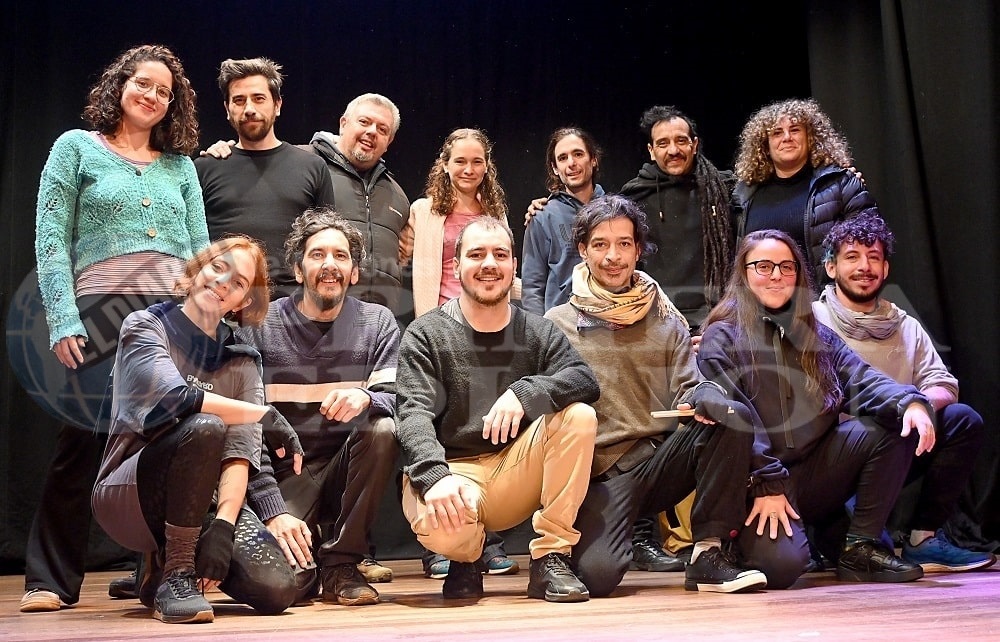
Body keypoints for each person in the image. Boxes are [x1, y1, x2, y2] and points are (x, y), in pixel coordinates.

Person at [22, 44, 209, 614]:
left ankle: (160, 570)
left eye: (164, 92)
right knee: (82, 440)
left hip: (172, 314)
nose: (152, 96)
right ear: (119, 86)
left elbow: (200, 250)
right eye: (142, 84)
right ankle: (50, 579)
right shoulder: (75, 148)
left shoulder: (180, 167)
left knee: (168, 439)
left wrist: (205, 318)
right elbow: (51, 240)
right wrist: (63, 316)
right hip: (101, 310)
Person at [546, 195, 766, 595]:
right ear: (582, 250)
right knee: (598, 577)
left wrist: (707, 395)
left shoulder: (665, 318)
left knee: (733, 414)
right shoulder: (556, 324)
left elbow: (690, 386)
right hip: (596, 478)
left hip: (657, 466)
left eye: (624, 244)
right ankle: (612, 539)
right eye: (600, 244)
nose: (613, 256)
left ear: (638, 250)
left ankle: (708, 553)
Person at [697, 229, 937, 589]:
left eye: (786, 266)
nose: (776, 275)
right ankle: (753, 543)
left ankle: (860, 547)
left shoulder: (817, 335)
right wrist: (766, 482)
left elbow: (863, 378)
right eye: (763, 266)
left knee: (895, 420)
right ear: (743, 274)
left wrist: (911, 402)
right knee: (780, 569)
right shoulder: (722, 337)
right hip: (757, 482)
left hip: (815, 473)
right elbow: (738, 423)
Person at [91, 236, 306, 624]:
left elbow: (239, 454)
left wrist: (223, 525)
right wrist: (264, 414)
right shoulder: (145, 325)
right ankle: (176, 574)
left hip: (203, 499)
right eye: (218, 268)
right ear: (196, 271)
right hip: (128, 494)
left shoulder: (242, 360)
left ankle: (158, 569)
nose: (223, 283)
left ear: (242, 302)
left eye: (238, 282)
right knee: (205, 425)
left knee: (279, 589)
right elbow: (177, 398)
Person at [396, 216, 600, 602]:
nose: (489, 263)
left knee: (579, 416)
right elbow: (412, 414)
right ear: (456, 265)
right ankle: (467, 558)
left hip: (513, 470)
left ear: (513, 265)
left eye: (500, 254)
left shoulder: (538, 331)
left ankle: (551, 557)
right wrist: (434, 476)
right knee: (445, 529)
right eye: (476, 254)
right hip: (454, 474)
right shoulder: (426, 333)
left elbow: (584, 380)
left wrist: (525, 393)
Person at [237, 208, 401, 605]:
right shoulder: (260, 324)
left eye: (341, 256)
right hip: (286, 475)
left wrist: (369, 398)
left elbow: (402, 398)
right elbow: (243, 422)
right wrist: (272, 508)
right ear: (298, 270)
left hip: (345, 470)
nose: (330, 264)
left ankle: (342, 563)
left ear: (354, 273)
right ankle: (312, 561)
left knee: (382, 427)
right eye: (317, 254)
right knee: (286, 587)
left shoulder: (377, 323)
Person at [813, 213, 994, 572]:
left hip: (895, 447)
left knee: (961, 419)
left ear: (885, 268)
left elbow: (943, 384)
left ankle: (923, 539)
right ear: (831, 267)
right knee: (862, 553)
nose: (864, 267)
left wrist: (916, 405)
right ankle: (827, 528)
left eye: (874, 257)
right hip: (833, 460)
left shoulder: (904, 325)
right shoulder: (813, 320)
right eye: (852, 257)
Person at [399, 127, 519, 577]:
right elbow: (403, 255)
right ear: (445, 164)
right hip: (441, 329)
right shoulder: (423, 210)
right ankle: (440, 541)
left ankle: (487, 538)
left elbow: (505, 267)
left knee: (486, 430)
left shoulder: (495, 211)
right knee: (438, 425)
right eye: (460, 161)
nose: (468, 169)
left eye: (477, 162)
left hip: (489, 328)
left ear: (487, 167)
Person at [194, 57, 335, 297]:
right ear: (227, 109)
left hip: (293, 305)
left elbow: (326, 239)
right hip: (221, 302)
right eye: (239, 100)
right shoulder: (205, 167)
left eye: (259, 98)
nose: (249, 108)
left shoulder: (312, 166)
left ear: (277, 105)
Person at [733, 98, 875, 286]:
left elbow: (870, 245)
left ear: (811, 137)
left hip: (822, 300)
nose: (787, 137)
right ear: (765, 146)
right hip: (760, 301)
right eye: (777, 133)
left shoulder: (841, 184)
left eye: (795, 130)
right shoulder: (743, 194)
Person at [619, 106, 736, 329]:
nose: (673, 150)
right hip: (657, 321)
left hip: (718, 320)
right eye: (663, 143)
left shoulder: (723, 190)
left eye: (681, 141)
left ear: (695, 145)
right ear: (651, 150)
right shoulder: (633, 197)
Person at [305, 94, 412, 320]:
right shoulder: (302, 165)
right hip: (310, 320)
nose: (372, 131)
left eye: (382, 129)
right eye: (364, 122)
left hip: (377, 325)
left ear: (389, 141)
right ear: (343, 124)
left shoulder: (398, 197)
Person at [520, 127, 606, 315]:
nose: (571, 163)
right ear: (555, 168)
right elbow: (532, 286)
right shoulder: (542, 216)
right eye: (563, 158)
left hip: (610, 321)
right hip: (560, 325)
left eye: (578, 154)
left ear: (593, 159)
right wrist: (539, 330)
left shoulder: (615, 212)